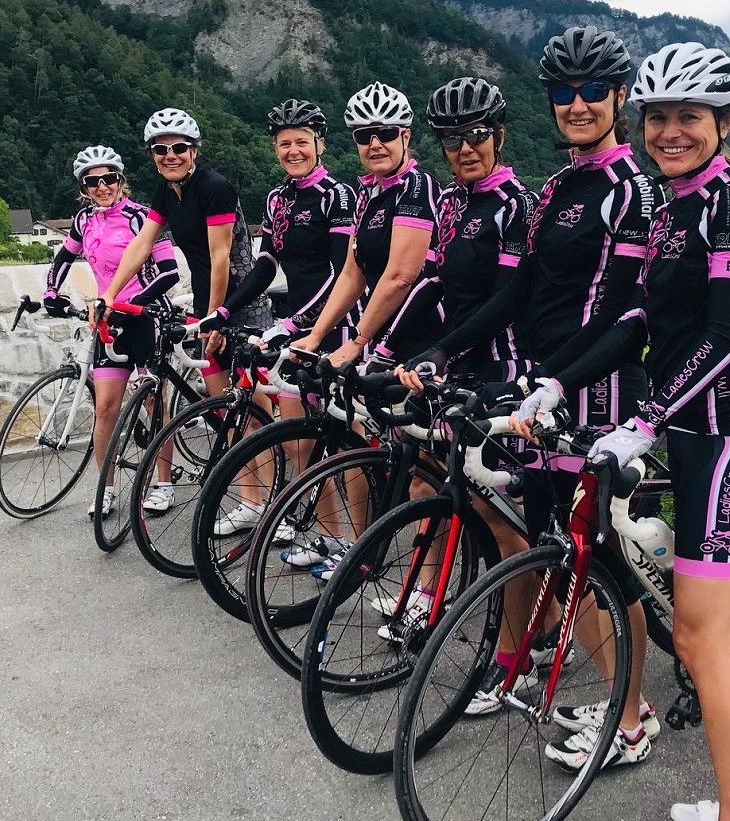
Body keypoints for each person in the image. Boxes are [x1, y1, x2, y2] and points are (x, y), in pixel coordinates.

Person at [516, 43, 730, 821]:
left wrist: (645, 418)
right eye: (658, 116)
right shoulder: (671, 208)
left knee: (701, 641)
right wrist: (558, 380)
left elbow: (726, 333)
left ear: (724, 121)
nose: (671, 130)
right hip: (699, 435)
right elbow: (635, 317)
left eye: (689, 116)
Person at [404, 26, 663, 764]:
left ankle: (631, 721)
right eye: (564, 92)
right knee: (562, 549)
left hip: (598, 386)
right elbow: (519, 292)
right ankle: (592, 684)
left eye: (593, 91)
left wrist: (551, 380)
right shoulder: (554, 189)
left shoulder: (631, 189)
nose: (578, 104)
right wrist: (446, 351)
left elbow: (619, 312)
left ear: (619, 97)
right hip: (548, 387)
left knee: (600, 563)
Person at [395, 76, 542, 696]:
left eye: (476, 134)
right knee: (434, 481)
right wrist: (391, 348)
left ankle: (516, 660)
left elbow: (508, 299)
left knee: (501, 519)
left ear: (499, 136)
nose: (464, 147)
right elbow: (431, 284)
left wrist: (443, 348)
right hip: (460, 365)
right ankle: (445, 602)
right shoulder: (453, 204)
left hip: (503, 369)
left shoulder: (516, 204)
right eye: (452, 139)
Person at [288, 81, 443, 579]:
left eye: (385, 133)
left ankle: (424, 592)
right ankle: (361, 551)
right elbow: (353, 273)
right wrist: (317, 335)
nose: (375, 143)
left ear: (405, 135)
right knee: (362, 450)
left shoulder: (418, 188)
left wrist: (356, 342)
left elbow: (401, 275)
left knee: (425, 479)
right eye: (363, 135)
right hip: (383, 338)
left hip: (423, 340)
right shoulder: (368, 194)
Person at [98, 108, 272, 514]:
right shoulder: (166, 190)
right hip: (207, 306)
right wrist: (109, 294)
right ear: (152, 155)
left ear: (194, 150)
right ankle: (251, 504)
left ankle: (276, 501)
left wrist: (216, 317)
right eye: (160, 150)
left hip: (240, 305)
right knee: (226, 409)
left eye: (179, 148)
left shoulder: (214, 188)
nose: (170, 155)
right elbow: (142, 243)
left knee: (254, 415)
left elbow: (220, 256)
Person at [197, 98, 357, 537]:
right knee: (299, 443)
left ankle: (363, 547)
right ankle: (330, 538)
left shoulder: (338, 195)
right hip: (297, 326)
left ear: (320, 144)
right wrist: (224, 310)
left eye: (302, 142)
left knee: (349, 448)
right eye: (284, 144)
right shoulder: (277, 199)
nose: (293, 151)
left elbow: (341, 275)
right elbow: (266, 265)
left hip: (339, 325)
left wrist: (293, 324)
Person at [44, 145, 179, 518]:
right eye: (93, 182)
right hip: (109, 321)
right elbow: (64, 257)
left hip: (146, 317)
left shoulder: (142, 217)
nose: (102, 186)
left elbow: (169, 272)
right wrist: (50, 291)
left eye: (109, 179)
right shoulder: (83, 220)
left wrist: (126, 302)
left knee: (154, 403)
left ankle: (163, 483)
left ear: (121, 180)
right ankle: (105, 488)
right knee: (105, 408)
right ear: (84, 187)